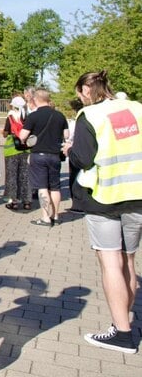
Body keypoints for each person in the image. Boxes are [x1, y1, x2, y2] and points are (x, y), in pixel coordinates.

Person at [67, 71, 142, 354]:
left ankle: (122, 332)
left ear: (87, 89)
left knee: (111, 263)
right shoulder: (137, 109)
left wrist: (71, 150)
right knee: (129, 262)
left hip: (104, 197)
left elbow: (83, 159)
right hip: (138, 194)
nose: (80, 99)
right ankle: (123, 320)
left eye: (80, 93)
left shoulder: (91, 116)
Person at [19, 88, 69, 226]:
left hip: (38, 155)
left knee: (42, 187)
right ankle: (56, 216)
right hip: (55, 156)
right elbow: (66, 135)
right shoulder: (60, 115)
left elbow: (22, 136)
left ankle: (45, 218)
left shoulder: (33, 117)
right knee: (55, 187)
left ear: (35, 99)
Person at [2, 95, 31, 211]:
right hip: (26, 149)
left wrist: (4, 133)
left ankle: (13, 201)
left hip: (11, 150)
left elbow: (5, 133)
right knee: (25, 175)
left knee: (11, 176)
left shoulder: (10, 117)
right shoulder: (27, 117)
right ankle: (27, 201)